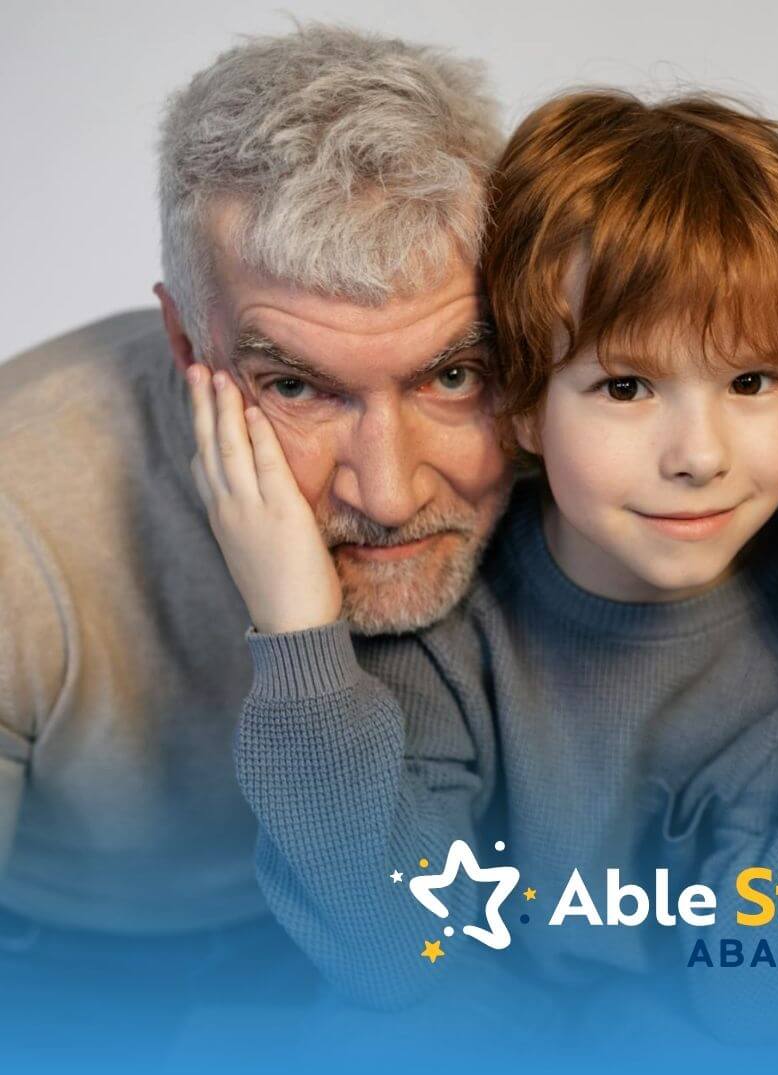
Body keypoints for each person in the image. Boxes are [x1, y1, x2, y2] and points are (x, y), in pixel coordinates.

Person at [194, 92, 778, 1050]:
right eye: (626, 386)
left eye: (751, 382)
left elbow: (756, 988)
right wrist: (299, 640)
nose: (699, 455)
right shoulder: (446, 616)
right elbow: (396, 955)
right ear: (525, 407)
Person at [0, 23, 510, 1060]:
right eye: (293, 386)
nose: (390, 490)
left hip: (447, 924)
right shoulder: (16, 517)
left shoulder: (580, 436)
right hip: (79, 964)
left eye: (452, 375)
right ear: (186, 341)